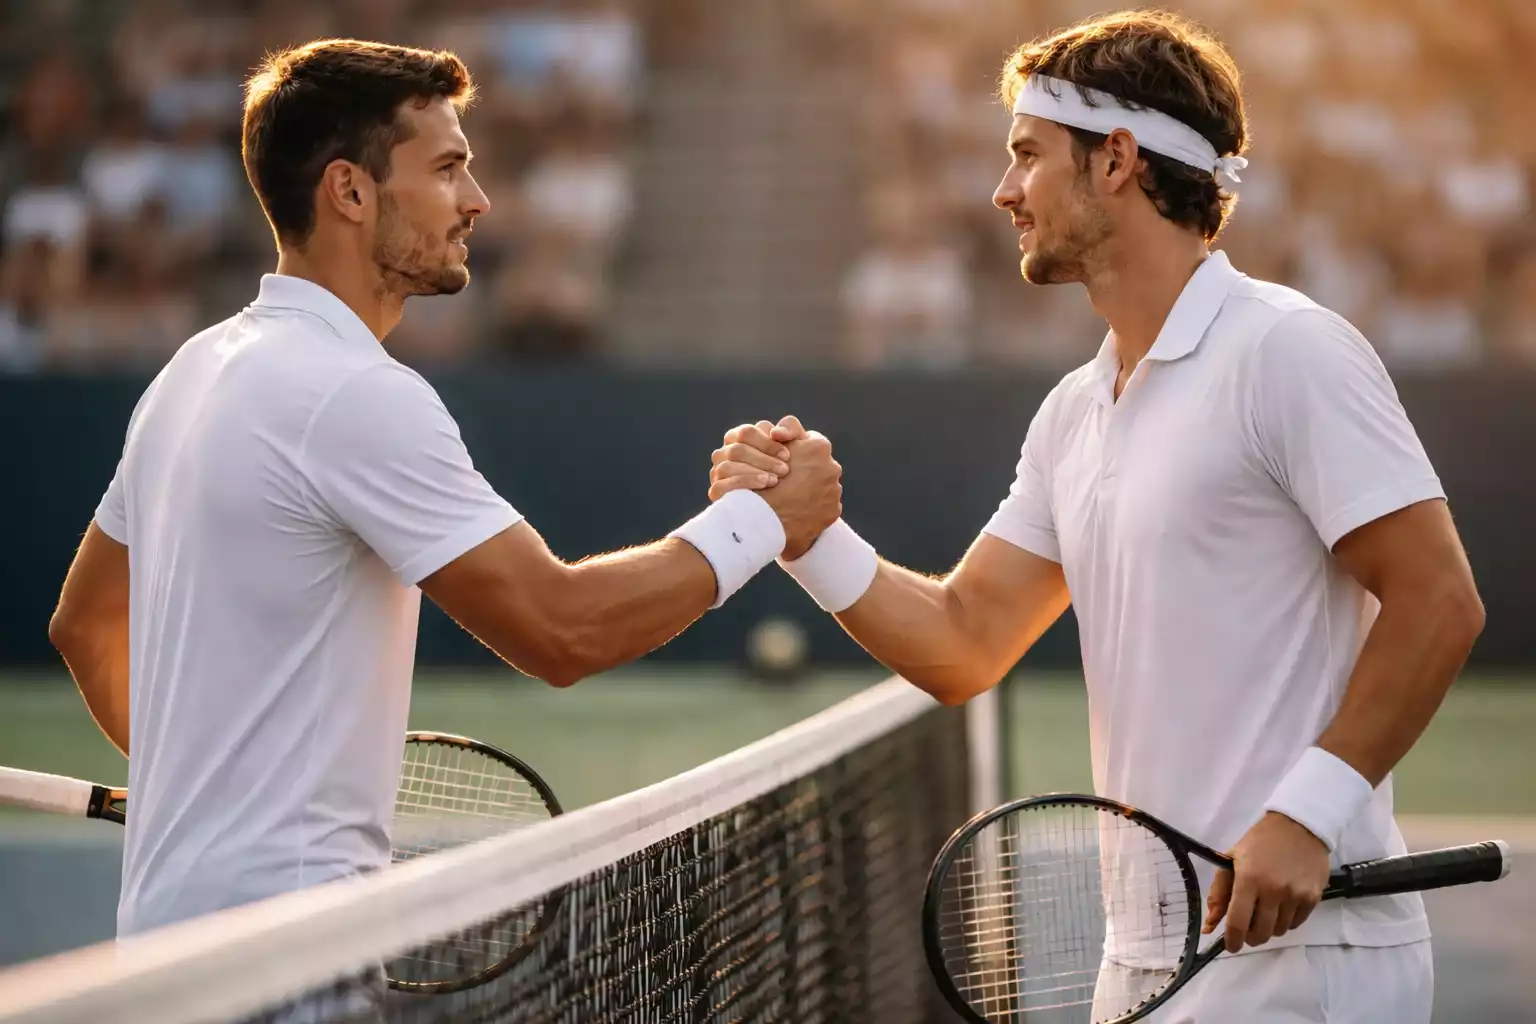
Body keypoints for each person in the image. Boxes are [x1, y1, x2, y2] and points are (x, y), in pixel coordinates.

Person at [710, 11, 1484, 1022]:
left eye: (1027, 157)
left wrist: (1307, 812)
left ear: (1115, 162)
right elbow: (965, 641)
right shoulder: (1075, 409)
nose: (1003, 192)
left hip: (1304, 959)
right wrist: (806, 539)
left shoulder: (1290, 349)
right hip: (1146, 960)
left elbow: (1439, 600)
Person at [46, 39, 841, 947]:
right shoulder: (355, 393)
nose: (477, 200)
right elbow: (562, 628)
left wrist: (195, 787)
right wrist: (763, 520)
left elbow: (85, 623)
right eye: (448, 168)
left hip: (157, 950)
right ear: (350, 191)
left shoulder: (192, 369)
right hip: (290, 955)